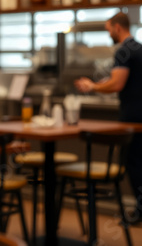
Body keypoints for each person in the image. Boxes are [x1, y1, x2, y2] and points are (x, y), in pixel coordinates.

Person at [75, 12, 142, 223]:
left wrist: (92, 86)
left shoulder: (123, 51)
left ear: (117, 28)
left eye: (108, 30)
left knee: (134, 163)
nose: (108, 34)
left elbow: (117, 84)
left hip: (133, 115)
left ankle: (140, 211)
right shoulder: (139, 48)